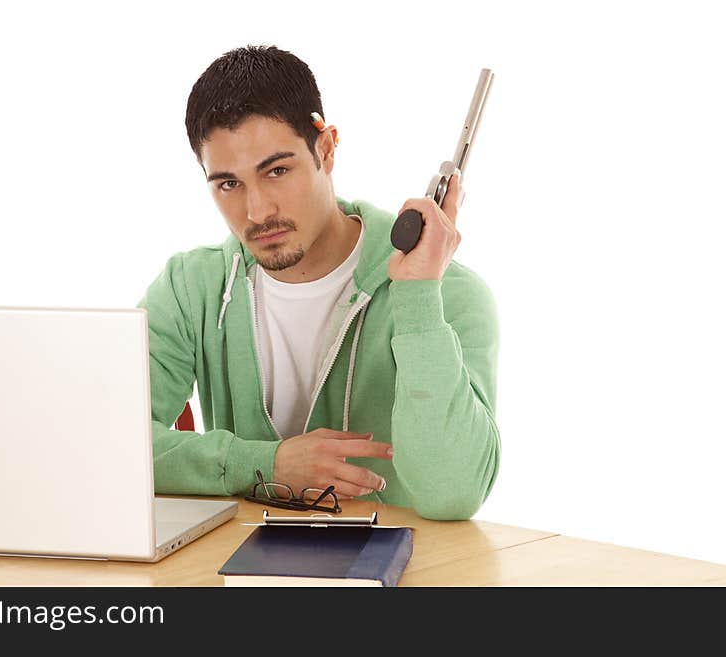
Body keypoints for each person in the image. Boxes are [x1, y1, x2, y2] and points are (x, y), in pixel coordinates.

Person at [137, 45, 500, 520]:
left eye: (277, 171)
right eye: (229, 184)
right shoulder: (191, 288)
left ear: (326, 149)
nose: (257, 212)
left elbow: (453, 493)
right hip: (243, 576)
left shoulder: (449, 295)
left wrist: (417, 297)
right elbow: (110, 443)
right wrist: (264, 464)